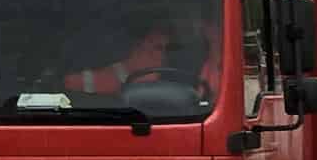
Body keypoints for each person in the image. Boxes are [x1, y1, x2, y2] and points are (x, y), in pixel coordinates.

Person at [64, 19, 221, 102]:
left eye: (169, 48)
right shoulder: (122, 69)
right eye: (157, 47)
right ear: (138, 44)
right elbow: (70, 84)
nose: (163, 54)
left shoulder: (209, 61)